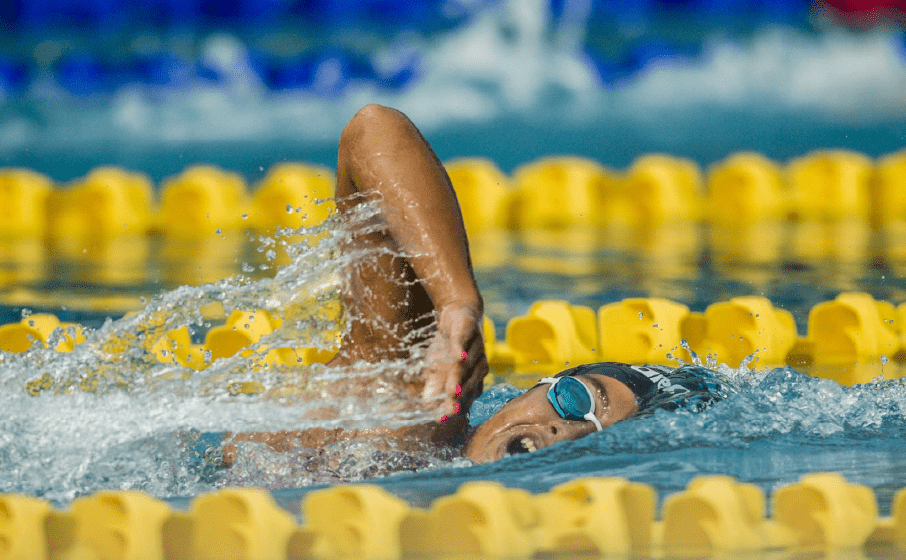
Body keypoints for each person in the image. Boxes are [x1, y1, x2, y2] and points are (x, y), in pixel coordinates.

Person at [221, 104, 727, 466]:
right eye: (577, 399)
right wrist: (456, 304)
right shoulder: (409, 401)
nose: (564, 430)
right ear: (528, 391)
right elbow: (372, 130)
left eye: (600, 439)